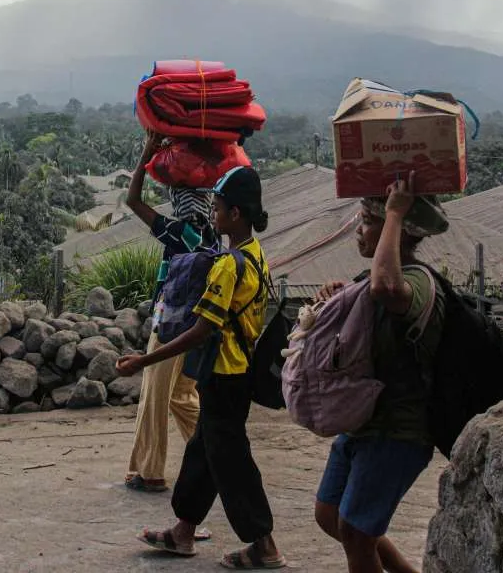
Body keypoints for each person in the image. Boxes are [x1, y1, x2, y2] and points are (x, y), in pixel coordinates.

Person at [117, 165, 286, 570]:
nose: (214, 213)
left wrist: (144, 360)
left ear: (237, 215)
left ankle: (265, 545)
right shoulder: (256, 256)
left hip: (225, 373)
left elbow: (200, 331)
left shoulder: (228, 266)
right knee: (203, 453)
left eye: (220, 208)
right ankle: (183, 532)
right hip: (236, 370)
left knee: (231, 462)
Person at [313, 172, 450, 573]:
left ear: (402, 229)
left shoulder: (417, 282)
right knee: (330, 513)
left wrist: (393, 213)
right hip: (362, 425)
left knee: (356, 531)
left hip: (398, 431)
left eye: (368, 221)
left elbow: (387, 289)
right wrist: (333, 299)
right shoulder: (368, 281)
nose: (360, 229)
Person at [123, 131, 220, 497]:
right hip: (199, 325)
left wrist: (147, 150)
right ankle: (216, 457)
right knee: (182, 395)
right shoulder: (213, 234)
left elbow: (132, 199)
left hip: (171, 323)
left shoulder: (178, 232)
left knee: (154, 395)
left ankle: (149, 472)